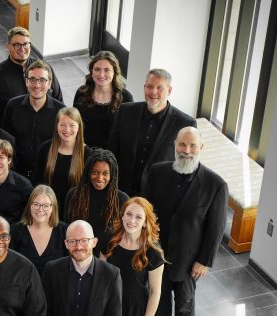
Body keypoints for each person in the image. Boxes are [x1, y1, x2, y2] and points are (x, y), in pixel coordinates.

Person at [142, 126, 227, 316]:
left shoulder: (215, 184)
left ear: (201, 148)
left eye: (192, 146)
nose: (186, 150)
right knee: (158, 297)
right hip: (158, 253)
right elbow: (146, 212)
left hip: (189, 259)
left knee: (184, 303)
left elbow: (216, 228)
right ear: (175, 145)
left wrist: (204, 261)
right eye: (182, 145)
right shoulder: (157, 172)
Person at [108, 68, 196, 196]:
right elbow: (111, 150)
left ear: (169, 90)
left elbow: (186, 166)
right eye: (149, 87)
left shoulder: (185, 123)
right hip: (121, 190)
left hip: (158, 193)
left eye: (160, 88)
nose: (153, 92)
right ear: (144, 88)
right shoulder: (125, 111)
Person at [0, 26, 62, 124]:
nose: (22, 49)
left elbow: (58, 99)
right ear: (8, 46)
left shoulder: (45, 69)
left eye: (26, 44)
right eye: (17, 45)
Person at [1, 60, 65, 179]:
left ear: (50, 83)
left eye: (42, 80)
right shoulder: (12, 106)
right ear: (26, 82)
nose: (37, 85)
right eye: (32, 79)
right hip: (18, 173)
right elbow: (5, 140)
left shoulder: (60, 111)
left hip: (48, 174)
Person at [34, 107, 93, 211]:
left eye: (72, 125)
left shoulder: (88, 154)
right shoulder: (45, 148)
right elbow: (37, 182)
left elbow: (88, 189)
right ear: (56, 126)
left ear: (79, 127)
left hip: (75, 210)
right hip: (48, 209)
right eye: (62, 125)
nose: (67, 129)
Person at [64, 149, 129, 242]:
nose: (100, 178)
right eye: (95, 172)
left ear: (112, 175)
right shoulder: (73, 195)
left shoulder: (122, 199)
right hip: (79, 248)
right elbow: (67, 230)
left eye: (105, 173)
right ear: (88, 172)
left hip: (108, 250)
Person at [73, 51, 133, 149]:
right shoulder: (81, 93)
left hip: (112, 154)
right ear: (91, 71)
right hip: (85, 150)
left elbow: (128, 134)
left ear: (114, 72)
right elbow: (75, 125)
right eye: (97, 69)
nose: (101, 75)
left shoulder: (126, 98)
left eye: (106, 70)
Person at [10, 185, 68, 275]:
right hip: (23, 284)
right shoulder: (15, 231)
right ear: (30, 206)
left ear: (53, 208)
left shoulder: (65, 231)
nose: (40, 209)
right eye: (36, 204)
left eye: (46, 206)